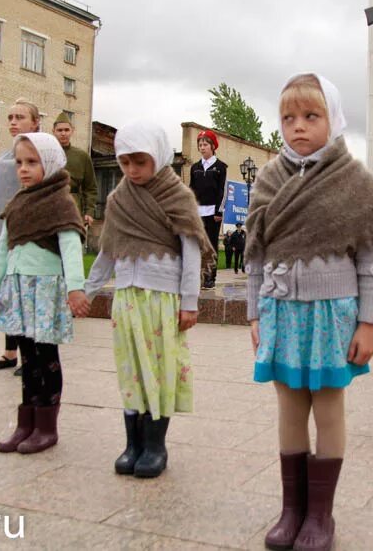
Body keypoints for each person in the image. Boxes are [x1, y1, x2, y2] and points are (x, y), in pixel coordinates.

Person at [246, 73, 373, 551]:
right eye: (288, 118)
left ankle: (321, 515)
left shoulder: (352, 179)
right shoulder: (270, 178)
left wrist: (368, 322)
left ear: (333, 119)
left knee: (328, 408)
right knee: (290, 408)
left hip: (333, 313)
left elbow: (372, 259)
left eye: (311, 116)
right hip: (281, 311)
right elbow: (255, 253)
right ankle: (292, 510)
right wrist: (254, 314)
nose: (298, 127)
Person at [85, 121, 215, 479]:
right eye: (125, 163)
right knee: (131, 368)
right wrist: (89, 289)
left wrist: (189, 302)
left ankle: (156, 446)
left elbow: (191, 251)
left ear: (157, 157)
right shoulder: (118, 200)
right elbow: (107, 252)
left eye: (139, 162)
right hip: (127, 297)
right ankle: (133, 444)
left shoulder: (177, 197)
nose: (132, 171)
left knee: (157, 369)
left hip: (162, 299)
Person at [0, 132, 90, 454]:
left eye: (32, 162)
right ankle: (25, 423)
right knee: (28, 358)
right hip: (18, 289)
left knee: (47, 359)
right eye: (19, 163)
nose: (23, 169)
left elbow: (71, 247)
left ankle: (47, 426)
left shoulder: (60, 202)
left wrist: (75, 289)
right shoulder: (17, 202)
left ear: (50, 163)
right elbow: (3, 248)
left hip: (44, 290)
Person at [0, 98, 41, 373]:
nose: (13, 122)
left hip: (30, 232)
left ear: (35, 123)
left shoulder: (40, 154)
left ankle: (32, 355)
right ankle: (9, 353)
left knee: (25, 292)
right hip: (4, 230)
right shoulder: (5, 156)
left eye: (20, 117)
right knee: (6, 289)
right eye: (10, 117)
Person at [188, 129, 227, 288]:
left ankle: (210, 277)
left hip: (213, 213)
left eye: (205, 144)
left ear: (212, 146)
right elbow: (191, 189)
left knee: (210, 245)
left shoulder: (220, 167)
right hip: (198, 212)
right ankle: (199, 276)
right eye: (200, 144)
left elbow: (222, 190)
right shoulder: (195, 167)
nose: (202, 147)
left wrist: (219, 211)